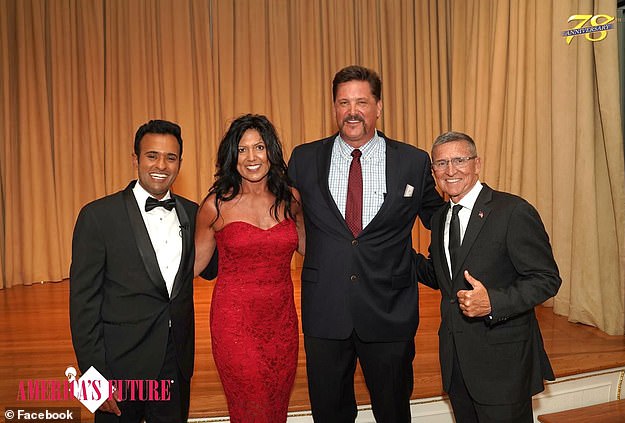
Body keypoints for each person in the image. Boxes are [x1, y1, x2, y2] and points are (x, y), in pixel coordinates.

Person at [287, 65, 444, 422]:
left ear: (379, 107)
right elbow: (278, 211)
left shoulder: (412, 161)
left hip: (390, 312)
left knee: (392, 410)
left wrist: (432, 267)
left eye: (361, 101)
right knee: (329, 412)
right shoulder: (304, 159)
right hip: (325, 312)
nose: (352, 111)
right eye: (343, 102)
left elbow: (441, 219)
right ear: (334, 108)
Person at [418, 131, 562, 422]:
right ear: (434, 172)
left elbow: (546, 278)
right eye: (441, 163)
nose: (451, 170)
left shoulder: (513, 211)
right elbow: (441, 276)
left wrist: (493, 302)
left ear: (477, 164)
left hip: (503, 368)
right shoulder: (439, 218)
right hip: (457, 364)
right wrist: (390, 251)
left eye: (459, 160)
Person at [70, 119, 198, 422]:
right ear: (135, 160)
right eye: (152, 155)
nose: (161, 165)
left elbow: (217, 264)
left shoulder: (193, 213)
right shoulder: (98, 216)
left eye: (171, 157)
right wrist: (92, 383)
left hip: (174, 362)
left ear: (180, 162)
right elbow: (82, 306)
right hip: (118, 367)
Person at [194, 114, 305, 422]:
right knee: (252, 408)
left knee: (275, 408)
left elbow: (313, 251)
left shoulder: (290, 200)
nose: (252, 157)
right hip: (235, 324)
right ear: (232, 156)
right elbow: (190, 266)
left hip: (282, 324)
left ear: (271, 151)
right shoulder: (215, 206)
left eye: (259, 147)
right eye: (242, 150)